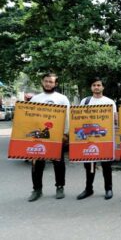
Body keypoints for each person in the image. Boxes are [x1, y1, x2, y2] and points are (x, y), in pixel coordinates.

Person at [28, 72, 70, 202]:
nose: (48, 84)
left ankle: (60, 187)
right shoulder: (35, 99)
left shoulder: (62, 98)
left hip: (57, 137)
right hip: (39, 137)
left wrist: (65, 134)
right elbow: (30, 118)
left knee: (58, 163)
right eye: (46, 81)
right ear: (42, 82)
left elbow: (67, 117)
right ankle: (37, 189)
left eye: (51, 82)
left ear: (55, 84)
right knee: (37, 164)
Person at [76, 77, 117, 200]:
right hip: (89, 139)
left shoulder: (109, 102)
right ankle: (88, 189)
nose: (96, 87)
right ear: (91, 87)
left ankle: (108, 189)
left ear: (103, 87)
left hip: (104, 139)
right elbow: (79, 118)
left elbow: (114, 120)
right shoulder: (85, 101)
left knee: (106, 166)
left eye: (99, 85)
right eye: (94, 85)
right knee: (89, 166)